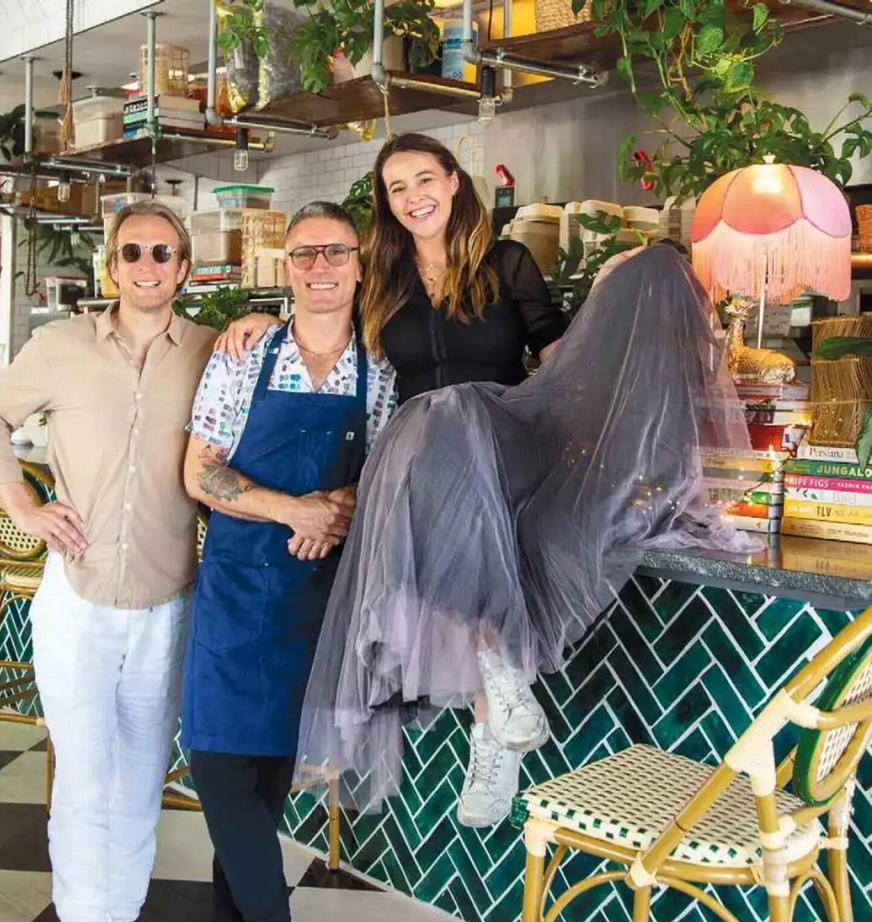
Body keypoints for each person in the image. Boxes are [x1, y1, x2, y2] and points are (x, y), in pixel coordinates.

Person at [295, 243, 759, 810]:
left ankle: (496, 712)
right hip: (453, 468)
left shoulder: (520, 277)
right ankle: (501, 694)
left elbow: (633, 453)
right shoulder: (398, 281)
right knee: (440, 434)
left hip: (519, 473)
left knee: (446, 437)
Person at [218, 132, 569, 829]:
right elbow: (324, 318)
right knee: (428, 486)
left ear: (454, 181)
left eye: (423, 179)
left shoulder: (508, 263)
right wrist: (264, 318)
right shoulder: (383, 276)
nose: (413, 197)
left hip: (502, 447)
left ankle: (496, 711)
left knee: (458, 427)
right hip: (418, 464)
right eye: (396, 188)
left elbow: (558, 362)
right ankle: (495, 712)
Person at [0, 202, 218, 922]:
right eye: (133, 251)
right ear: (114, 265)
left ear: (185, 268)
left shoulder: (209, 350)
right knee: (81, 780)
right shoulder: (61, 346)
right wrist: (26, 506)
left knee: (140, 782)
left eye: (165, 252)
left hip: (166, 600)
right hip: (76, 600)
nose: (148, 264)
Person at [181, 201, 397, 922]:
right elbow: (201, 471)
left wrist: (331, 511)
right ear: (288, 266)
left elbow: (383, 473)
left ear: (357, 262)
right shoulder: (243, 354)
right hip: (239, 584)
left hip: (314, 590)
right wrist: (293, 508)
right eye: (304, 252)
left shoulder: (379, 368)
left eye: (334, 251)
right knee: (219, 762)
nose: (318, 265)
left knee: (265, 781)